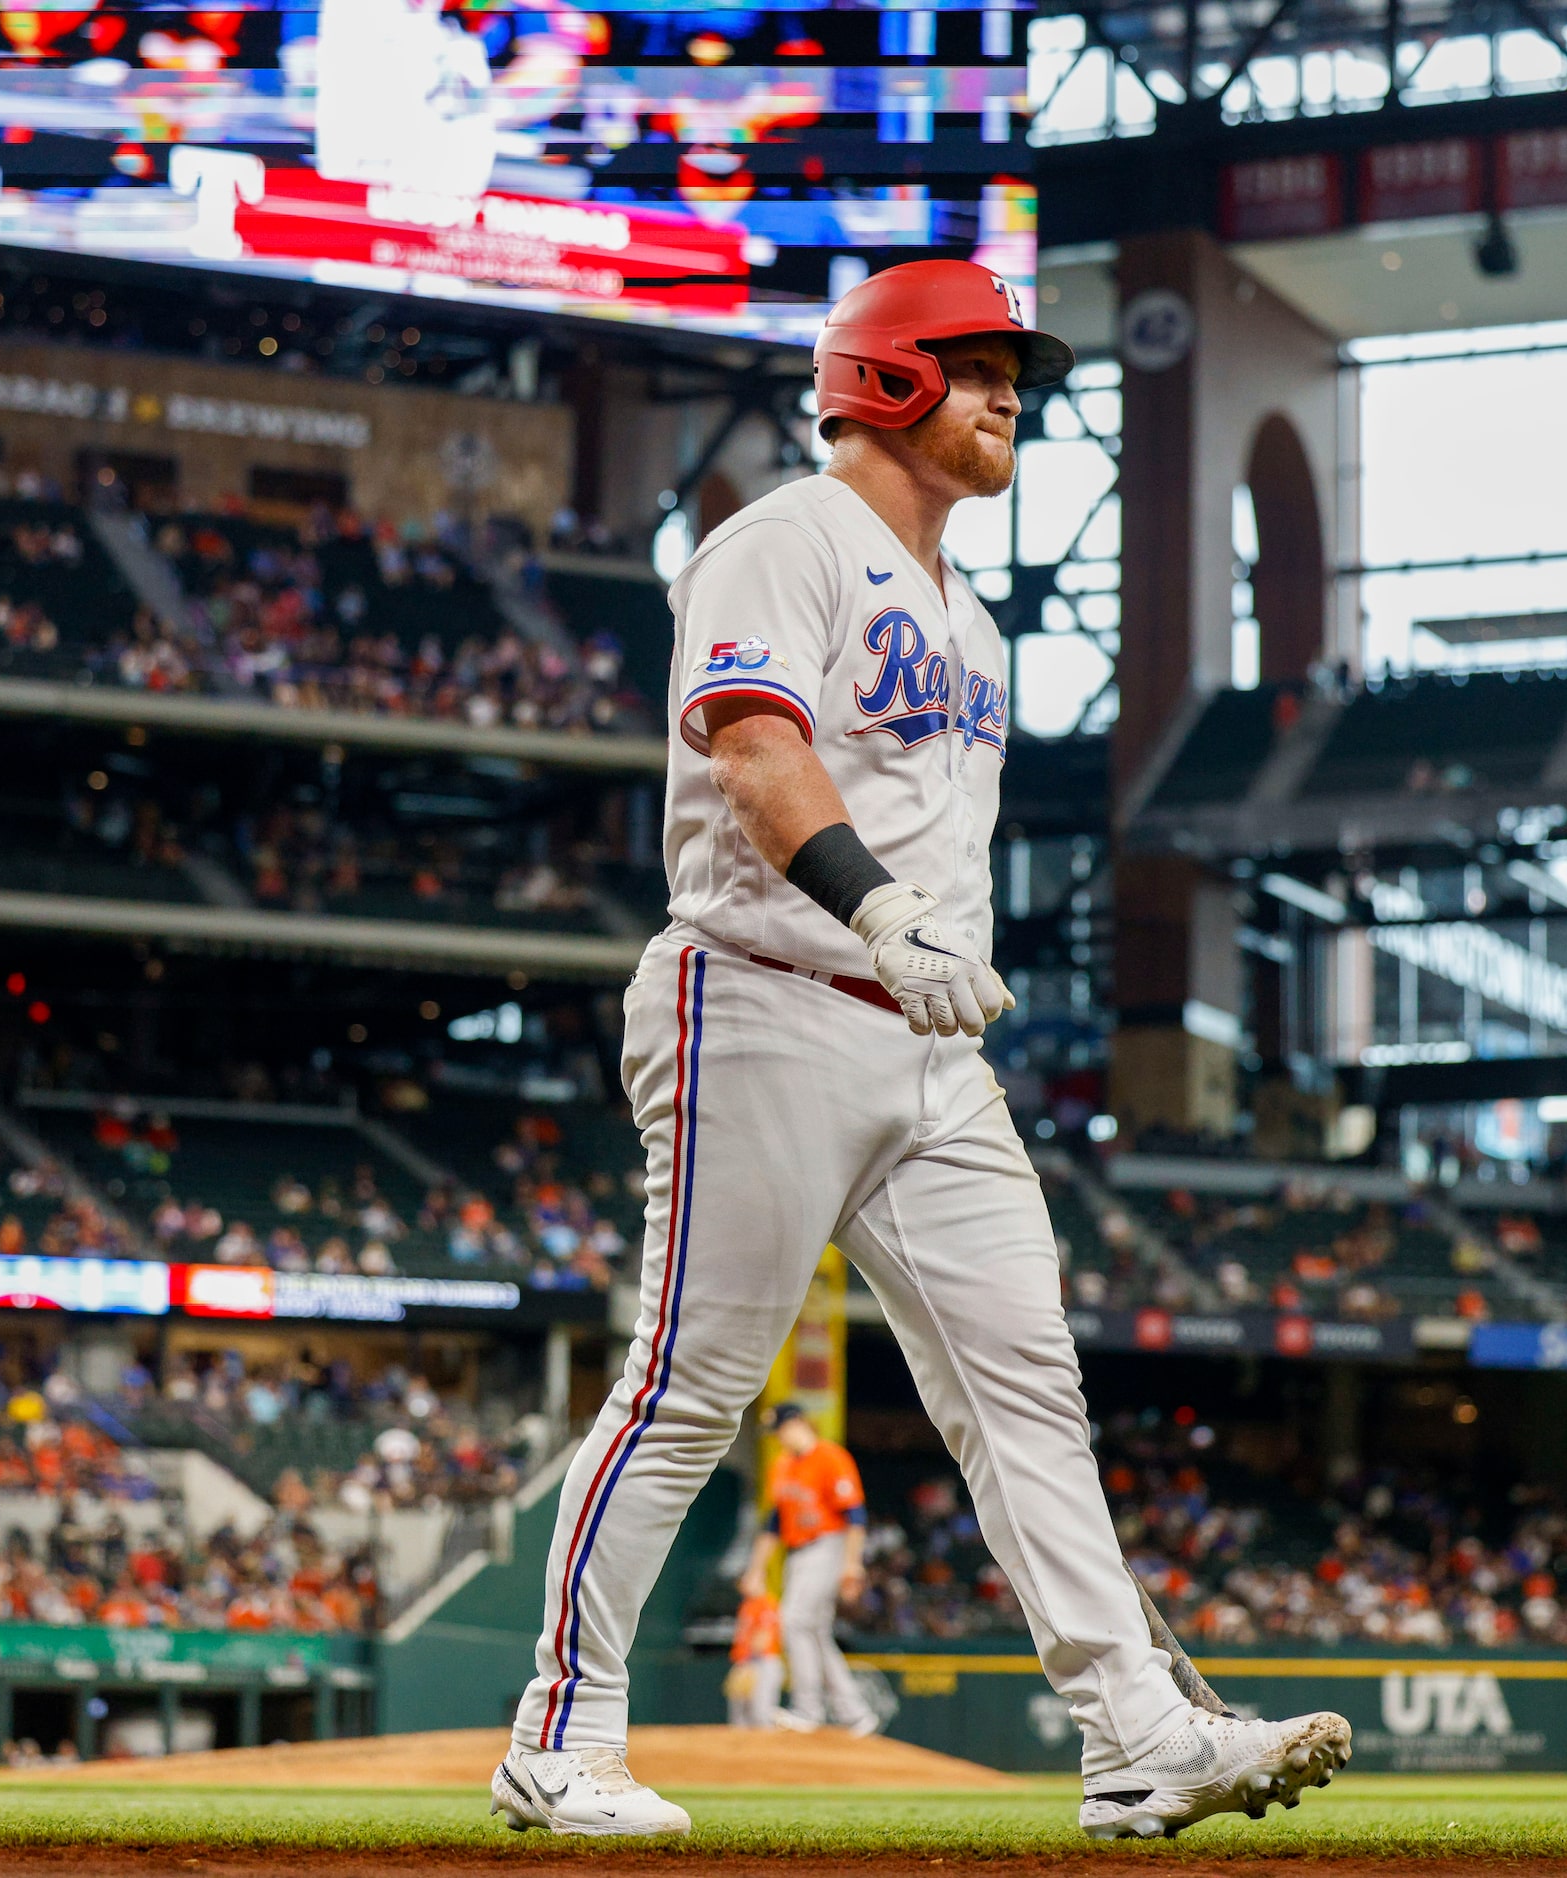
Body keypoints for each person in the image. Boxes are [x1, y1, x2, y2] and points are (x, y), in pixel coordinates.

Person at [487, 259, 1350, 1842]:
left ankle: (1138, 1734)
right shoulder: (781, 538)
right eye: (975, 364)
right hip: (764, 990)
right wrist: (883, 916)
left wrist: (921, 949)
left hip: (933, 1041)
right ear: (883, 380)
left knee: (1031, 1390)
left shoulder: (984, 619)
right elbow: (756, 750)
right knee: (690, 1387)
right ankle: (560, 1732)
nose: (1009, 390)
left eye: (1016, 368)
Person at [748, 1403, 874, 1734]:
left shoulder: (830, 1457)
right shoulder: (783, 1465)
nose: (778, 1437)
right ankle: (855, 1713)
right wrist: (756, 1569)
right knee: (814, 1630)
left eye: (780, 1429)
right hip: (797, 1552)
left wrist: (852, 1565)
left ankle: (808, 1709)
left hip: (827, 1544)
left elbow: (856, 1516)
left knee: (795, 1621)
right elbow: (773, 1523)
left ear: (798, 1423)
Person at [724, 1579, 785, 1731]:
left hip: (762, 1661)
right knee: (739, 1714)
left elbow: (764, 1638)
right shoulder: (747, 1605)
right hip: (747, 1661)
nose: (743, 1587)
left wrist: (748, 1663)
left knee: (761, 1712)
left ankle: (768, 1750)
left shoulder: (766, 1604)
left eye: (747, 1581)